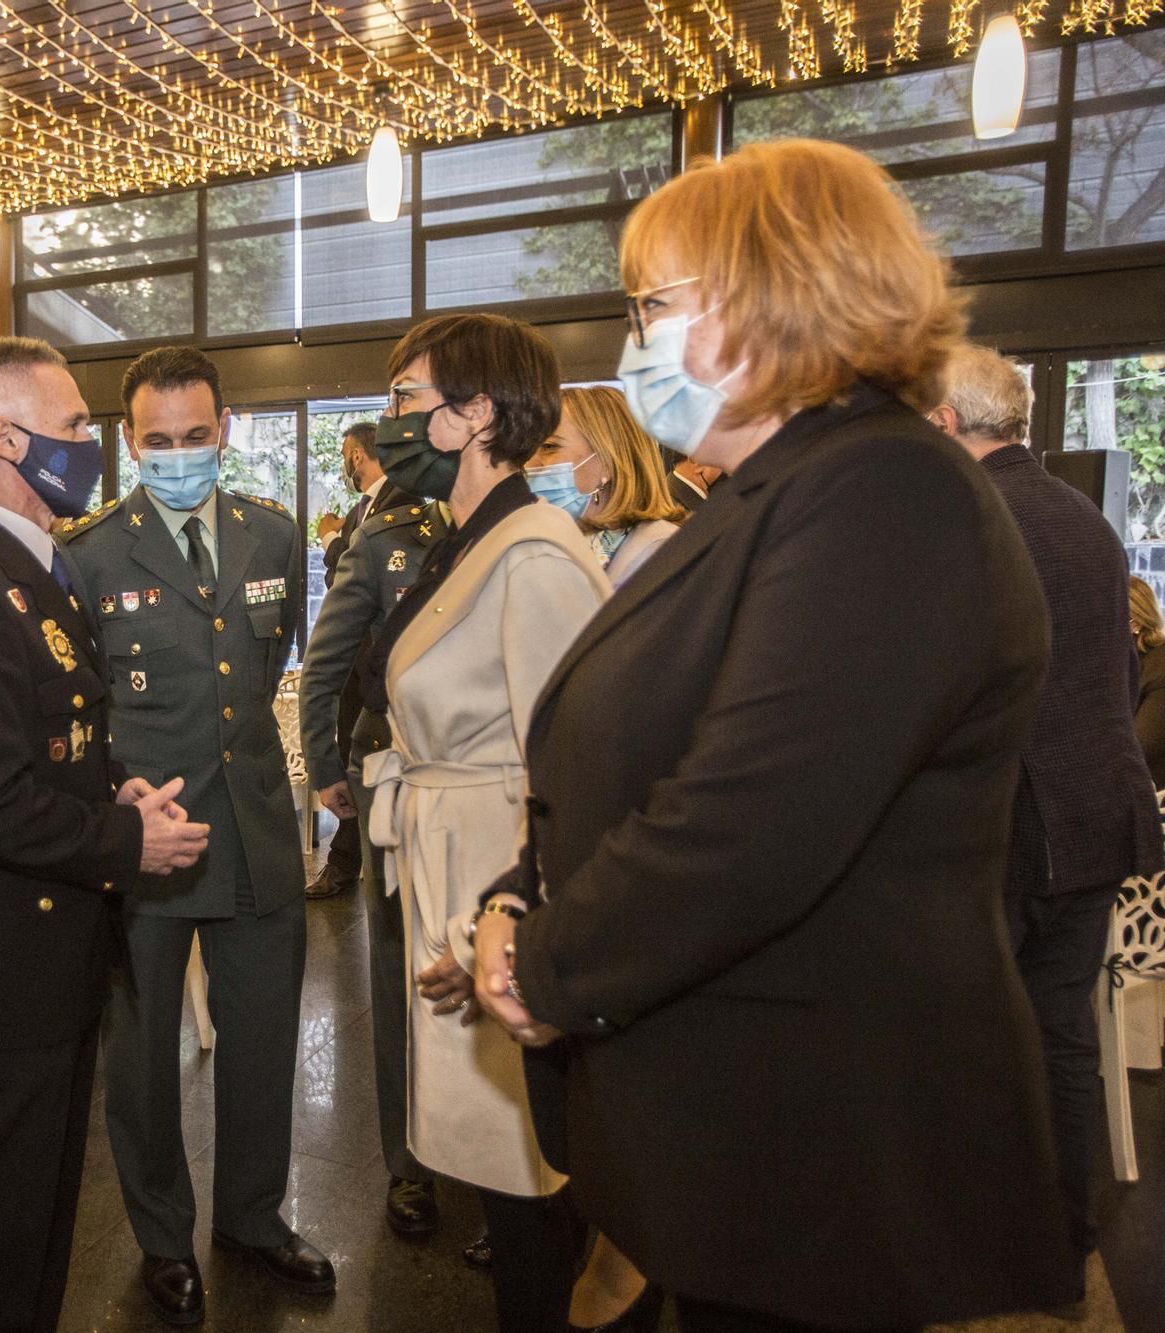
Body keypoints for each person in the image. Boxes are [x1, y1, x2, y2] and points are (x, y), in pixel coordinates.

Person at [461, 137, 1076, 1333]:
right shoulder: (763, 493)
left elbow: (751, 814)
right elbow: (623, 751)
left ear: (765, 300)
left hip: (821, 1130)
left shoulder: (884, 490)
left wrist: (546, 965)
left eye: (651, 304)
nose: (631, 337)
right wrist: (515, 891)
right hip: (741, 1108)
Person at [0, 336, 209, 1333]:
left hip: (48, 945)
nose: (90, 443)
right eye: (73, 426)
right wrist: (125, 842)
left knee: (39, 1219)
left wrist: (120, 788)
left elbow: (57, 732)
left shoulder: (37, 567)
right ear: (4, 437)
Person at [346, 313, 608, 1330]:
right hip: (448, 847)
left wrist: (506, 919)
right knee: (505, 1177)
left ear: (473, 414)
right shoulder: (471, 538)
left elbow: (568, 768)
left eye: (407, 398)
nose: (393, 419)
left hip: (492, 865)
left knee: (530, 1174)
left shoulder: (534, 553)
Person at [58, 345, 324, 1324]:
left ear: (226, 429)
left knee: (261, 1041)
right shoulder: (86, 553)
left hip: (252, 831)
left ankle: (252, 1216)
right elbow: (73, 708)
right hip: (145, 844)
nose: (178, 455)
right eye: (157, 440)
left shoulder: (271, 535)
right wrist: (113, 798)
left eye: (195, 436)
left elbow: (261, 672)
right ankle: (162, 1235)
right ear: (130, 442)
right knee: (140, 1061)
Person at [931, 341, 1163, 1280]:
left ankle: (992, 1246)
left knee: (977, 1043)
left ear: (945, 424)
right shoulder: (1082, 515)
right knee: (1060, 1039)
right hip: (1097, 810)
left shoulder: (971, 519)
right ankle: (1063, 1243)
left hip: (1017, 818)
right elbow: (1124, 669)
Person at [298, 425, 451, 1236]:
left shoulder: (512, 531)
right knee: (396, 967)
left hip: (492, 783)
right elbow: (328, 661)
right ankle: (410, 1163)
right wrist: (326, 765)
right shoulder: (387, 538)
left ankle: (491, 1161)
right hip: (392, 765)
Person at [305, 424, 388, 901]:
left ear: (356, 456)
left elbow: (353, 579)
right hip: (354, 667)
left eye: (344, 456)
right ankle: (345, 861)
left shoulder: (395, 508)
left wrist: (332, 542)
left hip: (374, 666)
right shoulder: (361, 510)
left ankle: (349, 864)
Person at [527, 386, 686, 588]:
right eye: (529, 449)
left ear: (609, 461)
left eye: (549, 447)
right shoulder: (553, 542)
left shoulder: (661, 550)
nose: (529, 463)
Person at [1132, 576, 1165, 785]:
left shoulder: (1159, 665)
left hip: (1151, 787)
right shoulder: (1116, 660)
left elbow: (1141, 745)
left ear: (1135, 623)